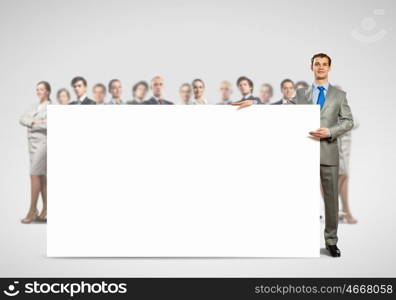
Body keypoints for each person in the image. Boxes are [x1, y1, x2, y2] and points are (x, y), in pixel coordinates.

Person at [295, 53, 354, 257]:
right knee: (301, 198)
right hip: (304, 154)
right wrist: (253, 106)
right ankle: (300, 239)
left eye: (324, 64)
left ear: (329, 68)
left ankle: (331, 241)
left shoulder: (339, 95)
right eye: (317, 64)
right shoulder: (301, 94)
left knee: (330, 200)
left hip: (328, 152)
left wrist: (330, 131)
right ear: (311, 67)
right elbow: (283, 114)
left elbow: (348, 121)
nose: (320, 67)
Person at [19, 81, 51, 223]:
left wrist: (34, 122)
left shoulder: (51, 107)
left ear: (48, 91)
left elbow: (48, 125)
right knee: (42, 175)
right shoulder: (33, 106)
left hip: (43, 143)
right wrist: (36, 122)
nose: (39, 91)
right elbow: (22, 119)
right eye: (37, 89)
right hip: (32, 143)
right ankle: (46, 208)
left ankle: (32, 209)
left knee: (34, 174)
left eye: (42, 89)